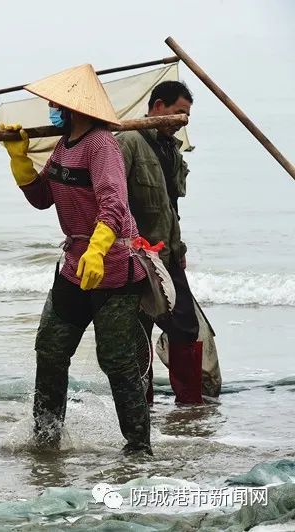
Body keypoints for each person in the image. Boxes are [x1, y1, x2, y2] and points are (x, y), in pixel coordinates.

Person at [1, 65, 152, 455]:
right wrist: (20, 162)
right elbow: (42, 198)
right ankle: (47, 437)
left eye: (55, 104)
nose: (50, 109)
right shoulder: (64, 145)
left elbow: (114, 203)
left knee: (117, 361)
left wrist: (99, 249)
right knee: (50, 350)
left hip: (115, 268)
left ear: (73, 108)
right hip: (73, 266)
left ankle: (138, 446)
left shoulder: (101, 144)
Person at [117, 81, 216, 405]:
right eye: (178, 113)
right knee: (138, 333)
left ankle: (189, 404)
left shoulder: (170, 148)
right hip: (137, 257)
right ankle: (140, 404)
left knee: (184, 327)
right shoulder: (129, 141)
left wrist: (180, 249)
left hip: (168, 255)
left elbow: (170, 207)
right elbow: (112, 197)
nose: (182, 120)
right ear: (158, 106)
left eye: (186, 115)